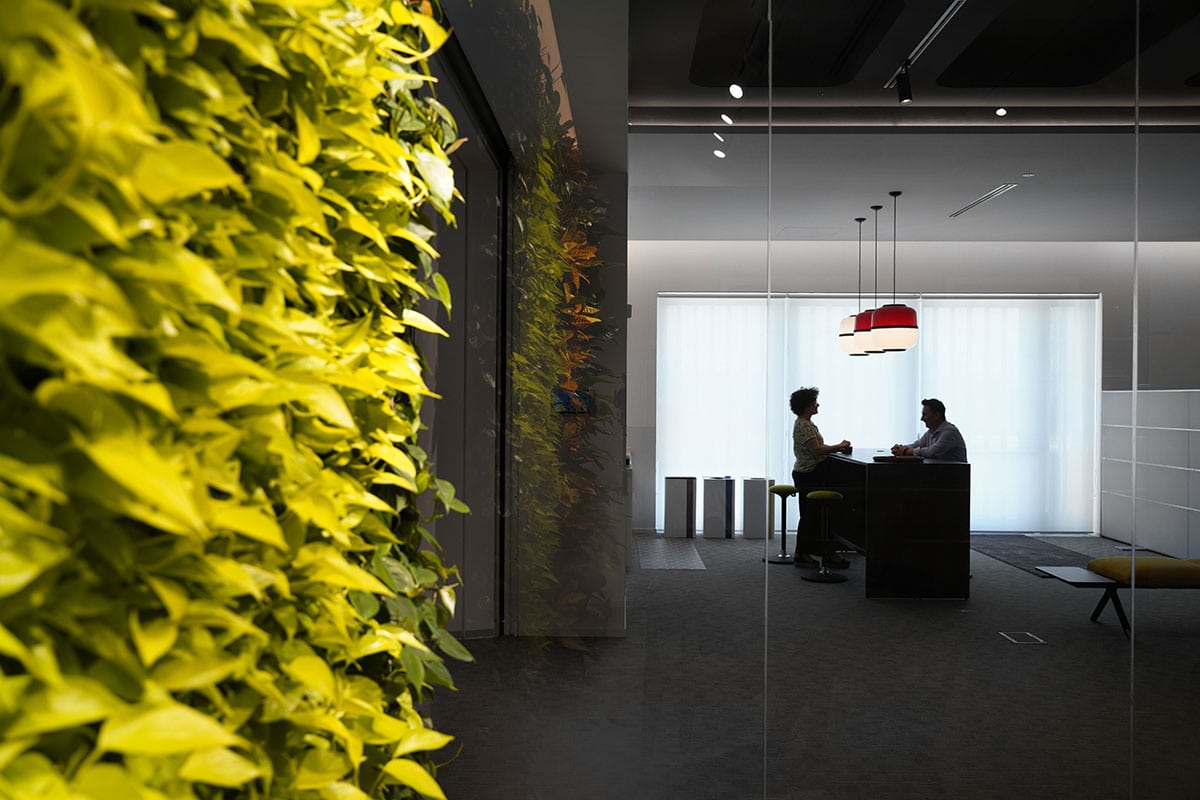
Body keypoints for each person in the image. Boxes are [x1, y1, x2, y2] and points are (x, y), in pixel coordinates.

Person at [790, 387, 852, 568]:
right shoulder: (804, 425)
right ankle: (805, 553)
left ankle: (814, 552)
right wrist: (838, 446)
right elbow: (816, 450)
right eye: (814, 402)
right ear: (807, 406)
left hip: (807, 473)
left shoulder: (805, 423)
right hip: (809, 474)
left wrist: (836, 448)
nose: (817, 405)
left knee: (812, 515)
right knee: (812, 516)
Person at [891, 398, 968, 462]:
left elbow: (933, 452)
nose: (921, 419)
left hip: (953, 474)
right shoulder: (931, 432)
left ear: (936, 415)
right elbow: (917, 445)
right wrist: (901, 448)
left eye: (924, 415)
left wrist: (905, 451)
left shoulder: (950, 432)